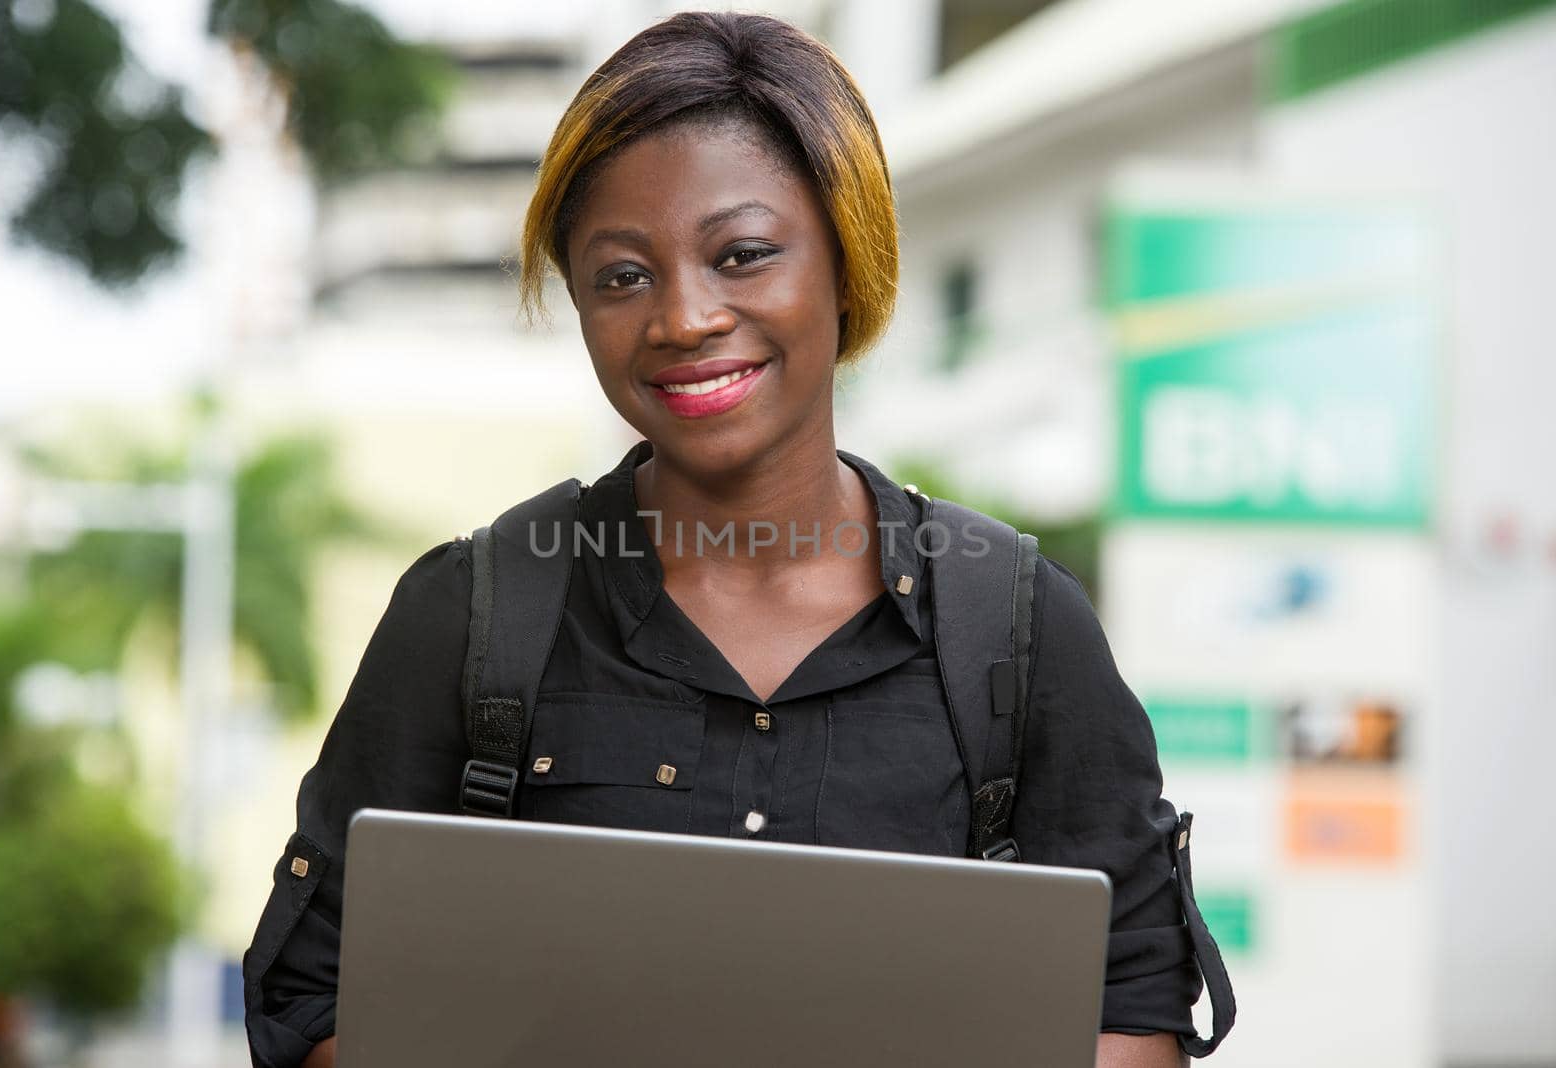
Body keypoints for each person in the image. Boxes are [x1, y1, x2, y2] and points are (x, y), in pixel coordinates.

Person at [243, 12, 1222, 1068]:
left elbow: (1132, 1015)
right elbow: (309, 1008)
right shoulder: (470, 618)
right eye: (622, 275)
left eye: (742, 255)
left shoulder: (1020, 634)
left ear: (848, 261)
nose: (683, 318)